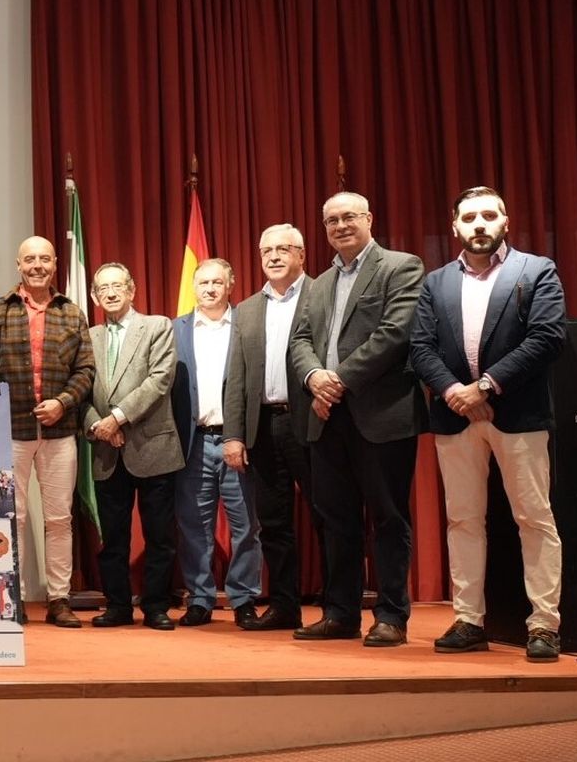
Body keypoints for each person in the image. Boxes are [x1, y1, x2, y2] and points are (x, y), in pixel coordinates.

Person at [410, 186, 566, 662]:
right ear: (455, 225)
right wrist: (457, 392)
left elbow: (547, 337)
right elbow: (420, 347)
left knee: (533, 519)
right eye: (469, 217)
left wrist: (487, 386)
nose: (479, 224)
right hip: (455, 418)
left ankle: (544, 625)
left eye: (488, 215)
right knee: (463, 520)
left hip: (517, 414)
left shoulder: (536, 270)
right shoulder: (435, 281)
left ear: (505, 221)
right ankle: (468, 620)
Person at [289, 192, 426, 647]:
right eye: (331, 220)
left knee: (388, 519)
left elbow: (395, 333)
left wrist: (338, 381)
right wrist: (313, 377)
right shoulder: (320, 282)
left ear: (369, 218)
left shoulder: (401, 266)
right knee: (337, 520)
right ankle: (341, 613)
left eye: (349, 217)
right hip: (327, 417)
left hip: (380, 414)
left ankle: (390, 616)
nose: (340, 225)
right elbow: (301, 339)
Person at [0, 236, 94, 627]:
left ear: (55, 264)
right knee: (11, 518)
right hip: (10, 431)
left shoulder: (72, 313)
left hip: (60, 432)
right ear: (18, 265)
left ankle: (58, 599)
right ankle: (14, 598)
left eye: (44, 259)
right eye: (29, 260)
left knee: (59, 519)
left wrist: (63, 402)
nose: (37, 265)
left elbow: (86, 370)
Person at [223, 224, 322, 631]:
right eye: (268, 250)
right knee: (274, 522)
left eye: (285, 249)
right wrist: (233, 434)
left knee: (327, 515)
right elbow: (236, 376)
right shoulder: (246, 309)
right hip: (263, 426)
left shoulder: (322, 295)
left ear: (301, 254)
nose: (275, 256)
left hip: (313, 422)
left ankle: (338, 608)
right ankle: (284, 607)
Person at [83, 262, 180, 630]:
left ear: (132, 289)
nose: (110, 292)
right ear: (93, 295)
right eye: (102, 288)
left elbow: (159, 380)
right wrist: (98, 426)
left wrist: (118, 418)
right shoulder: (86, 335)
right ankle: (118, 606)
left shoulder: (157, 326)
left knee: (159, 535)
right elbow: (80, 389)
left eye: (117, 285)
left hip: (152, 445)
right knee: (113, 538)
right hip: (107, 450)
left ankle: (156, 606)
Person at [170, 258, 262, 628]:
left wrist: (238, 437)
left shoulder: (247, 326)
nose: (209, 288)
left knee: (246, 527)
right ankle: (201, 599)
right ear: (193, 287)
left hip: (237, 441)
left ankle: (243, 599)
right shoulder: (174, 330)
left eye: (217, 282)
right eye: (203, 282)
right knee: (194, 526)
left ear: (231, 285)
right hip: (192, 443)